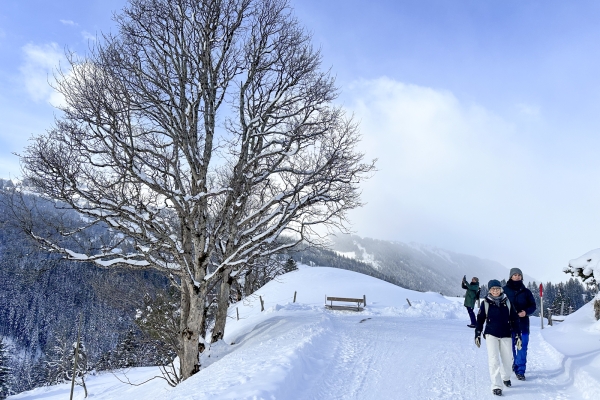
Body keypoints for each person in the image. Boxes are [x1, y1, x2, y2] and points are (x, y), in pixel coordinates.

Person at [475, 279, 521, 396]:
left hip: (506, 334)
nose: (495, 291)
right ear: (489, 290)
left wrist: (518, 335)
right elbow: (480, 319)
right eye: (492, 289)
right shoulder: (485, 303)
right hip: (491, 334)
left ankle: (505, 377)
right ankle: (496, 385)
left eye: (497, 289)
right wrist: (478, 333)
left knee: (507, 360)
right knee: (494, 360)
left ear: (501, 289)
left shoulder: (507, 302)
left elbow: (515, 319)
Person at [502, 267, 536, 381]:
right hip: (508, 324)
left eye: (519, 275)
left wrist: (525, 312)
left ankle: (520, 370)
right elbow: (498, 305)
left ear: (521, 277)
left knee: (522, 347)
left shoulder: (526, 291)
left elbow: (533, 306)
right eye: (515, 275)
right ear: (510, 276)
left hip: (523, 324)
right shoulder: (504, 290)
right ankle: (514, 362)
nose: (517, 277)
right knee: (509, 348)